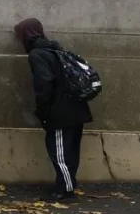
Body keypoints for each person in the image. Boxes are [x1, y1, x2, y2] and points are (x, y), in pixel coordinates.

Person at [14, 18, 92, 201]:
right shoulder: (55, 49)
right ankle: (67, 184)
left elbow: (44, 85)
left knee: (59, 152)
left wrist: (43, 112)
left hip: (59, 112)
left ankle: (65, 190)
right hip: (77, 108)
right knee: (71, 151)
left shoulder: (37, 54)